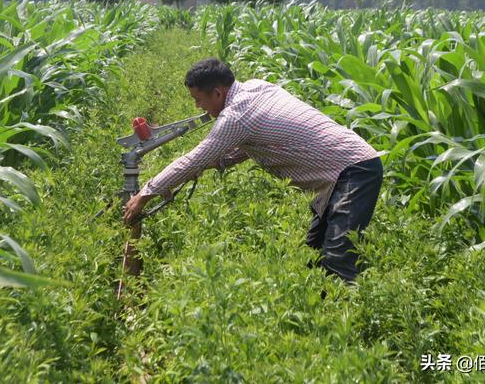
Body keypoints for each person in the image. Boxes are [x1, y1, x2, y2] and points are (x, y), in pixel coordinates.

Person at [124, 58, 383, 283]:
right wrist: (208, 165)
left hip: (353, 171)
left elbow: (194, 158)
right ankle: (323, 319)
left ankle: (348, 325)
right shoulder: (256, 87)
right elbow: (254, 145)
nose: (198, 108)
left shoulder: (236, 116)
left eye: (198, 100)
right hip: (344, 172)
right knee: (314, 254)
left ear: (216, 93)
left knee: (338, 257)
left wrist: (145, 194)